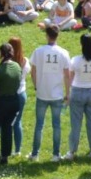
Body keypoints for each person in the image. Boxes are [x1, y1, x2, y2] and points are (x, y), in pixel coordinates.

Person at [28, 25, 72, 161]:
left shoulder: (38, 51)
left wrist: (36, 85)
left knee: (39, 125)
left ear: (47, 35)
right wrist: (68, 92)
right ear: (58, 35)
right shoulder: (64, 53)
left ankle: (35, 154)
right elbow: (67, 75)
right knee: (56, 125)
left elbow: (33, 70)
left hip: (42, 93)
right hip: (57, 94)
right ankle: (55, 154)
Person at [66, 33, 91, 161]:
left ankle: (72, 151)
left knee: (76, 123)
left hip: (77, 91)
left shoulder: (76, 60)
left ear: (81, 44)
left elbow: (70, 78)